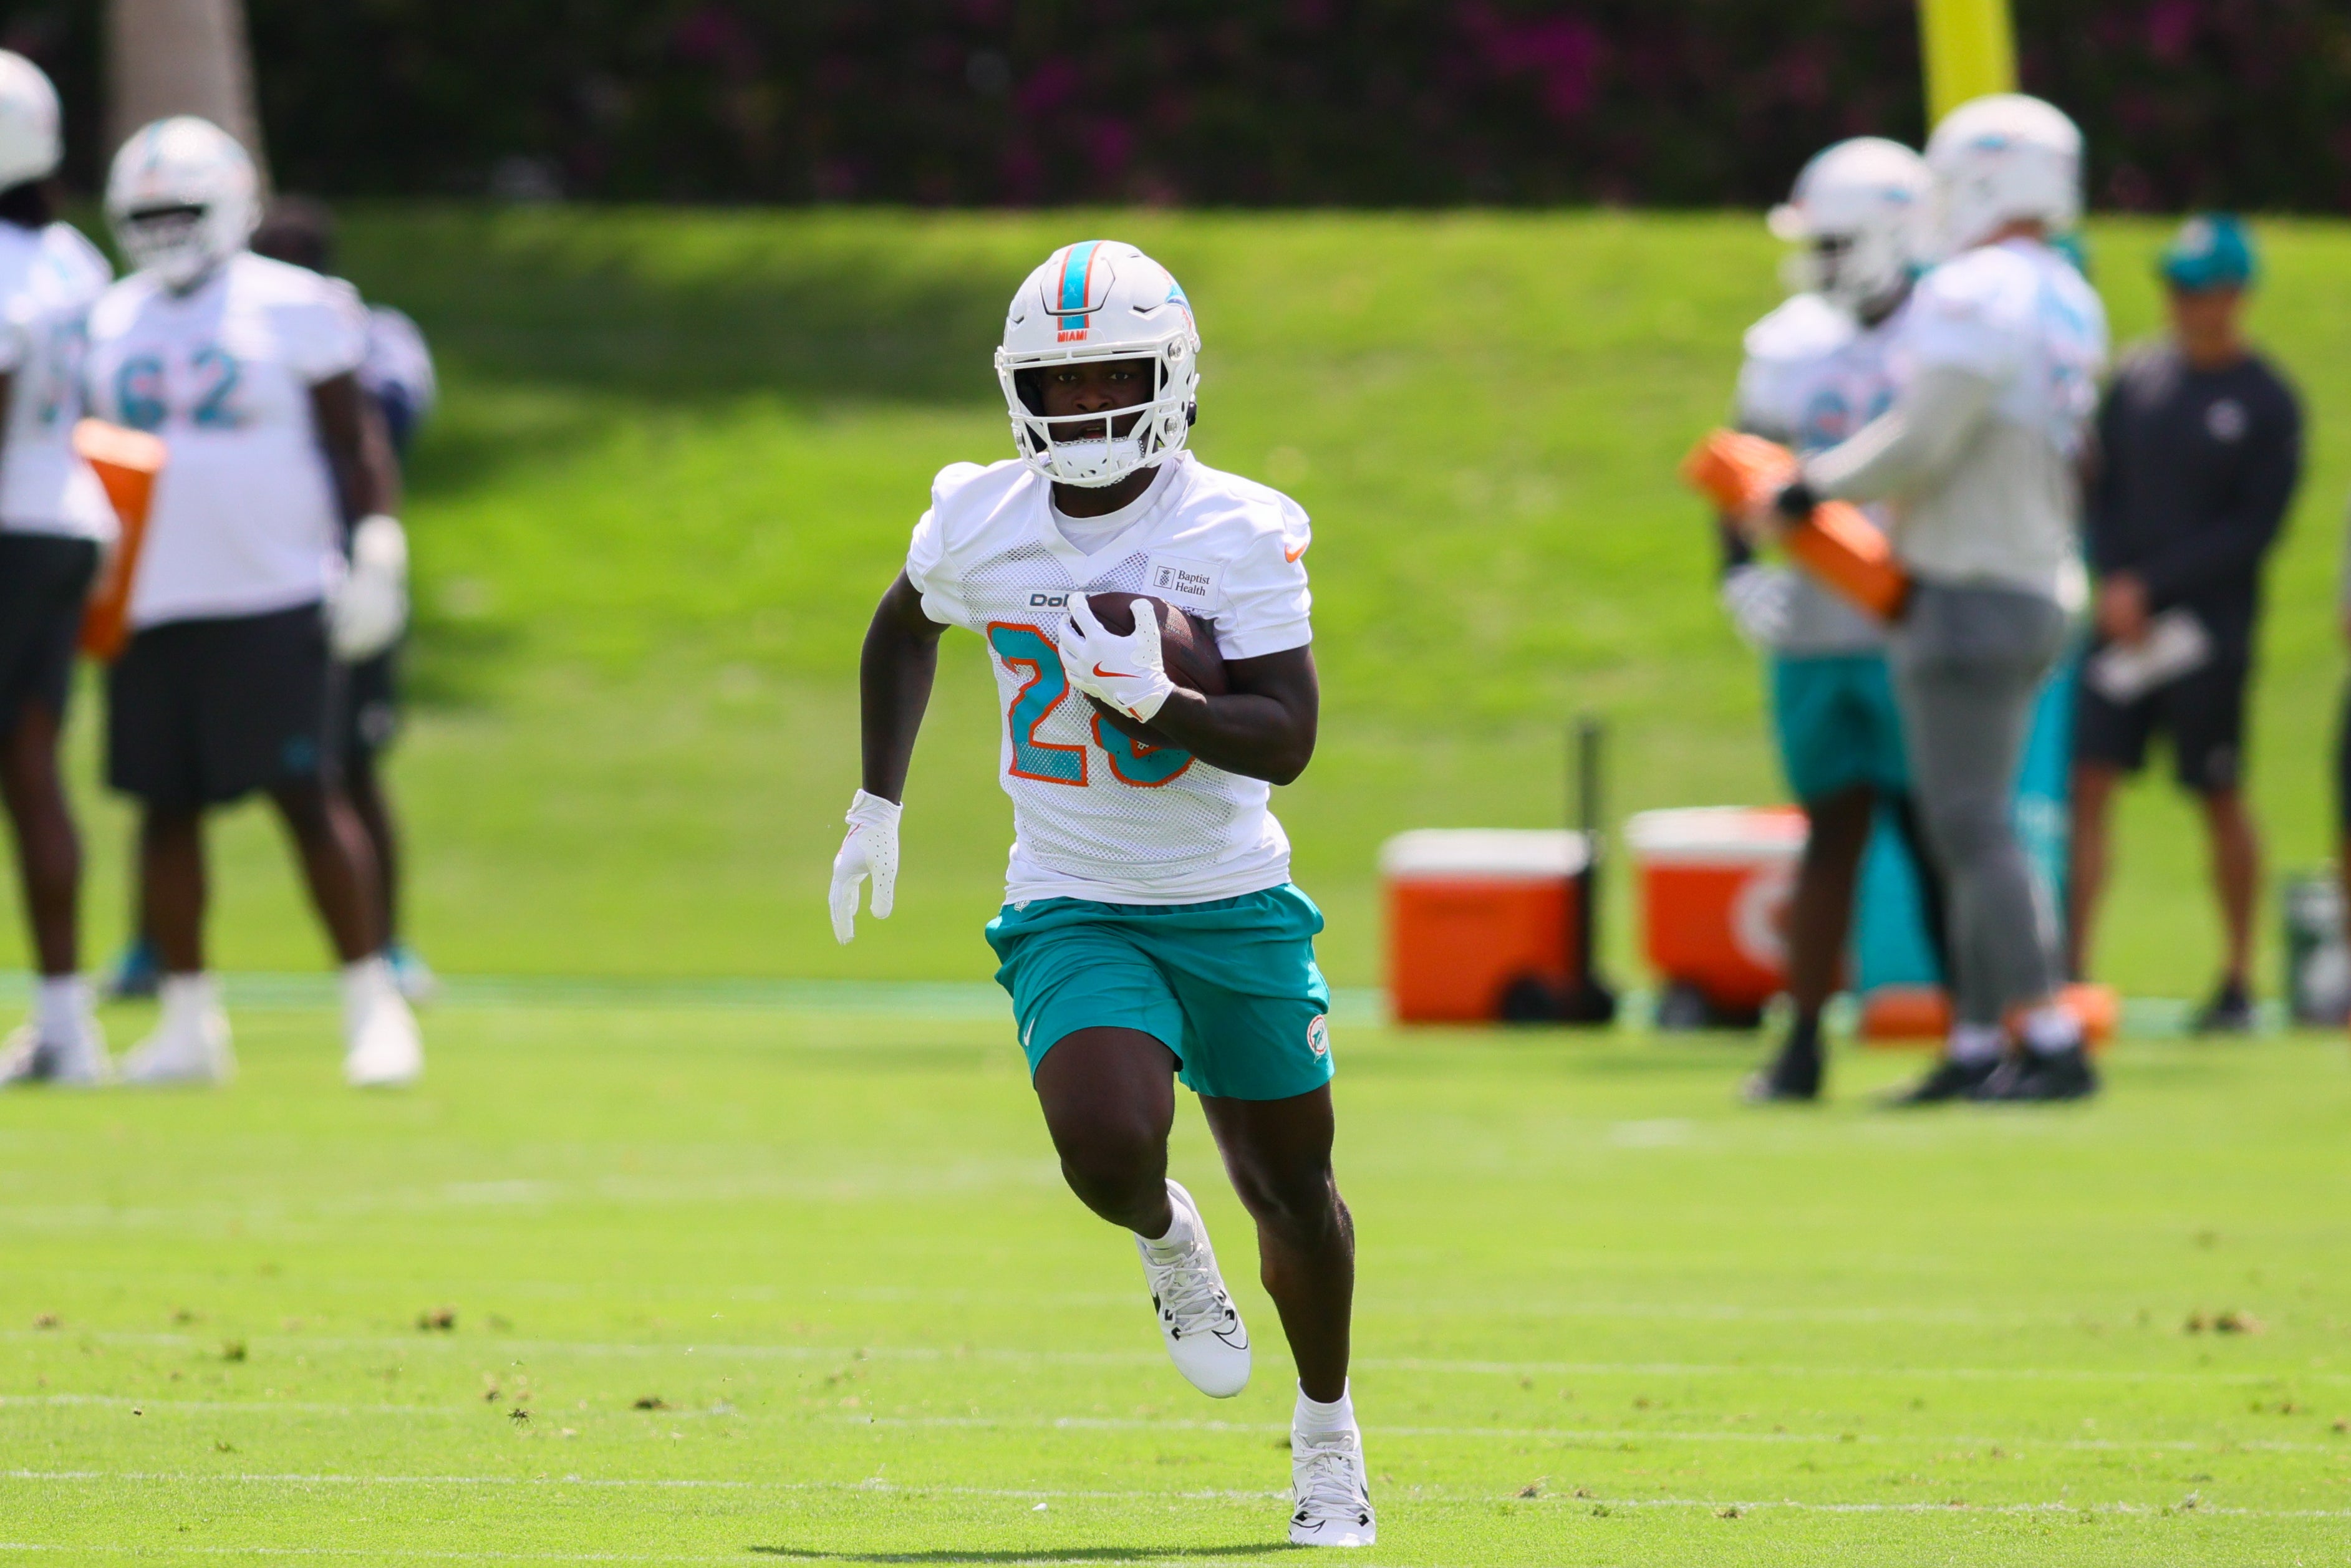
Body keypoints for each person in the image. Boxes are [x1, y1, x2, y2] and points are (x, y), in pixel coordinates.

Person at [829, 241, 1373, 1547]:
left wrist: (1165, 703)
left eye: (1109, 380)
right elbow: (905, 622)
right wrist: (877, 801)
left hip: (1229, 897)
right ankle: (1164, 1238)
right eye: (1056, 387)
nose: (1080, 411)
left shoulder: (1235, 525)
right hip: (1075, 892)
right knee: (1106, 1145)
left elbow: (1288, 737)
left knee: (1293, 1188)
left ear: (1172, 376)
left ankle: (1326, 1433)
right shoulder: (979, 515)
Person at [1763, 94, 2108, 1102]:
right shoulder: (2065, 291)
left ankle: (2044, 1031)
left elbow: (1920, 437)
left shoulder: (1975, 290)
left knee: (1970, 823)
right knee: (1972, 819)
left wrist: (1807, 487)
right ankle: (1971, 1044)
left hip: (1968, 583)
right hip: (2034, 570)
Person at [82, 117, 423, 1087]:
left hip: (271, 591)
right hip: (149, 599)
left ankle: (372, 1003)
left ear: (231, 204)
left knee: (306, 796)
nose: (166, 228)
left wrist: (375, 546)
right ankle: (189, 1022)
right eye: (147, 212)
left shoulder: (296, 305)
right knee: (163, 809)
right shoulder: (109, 320)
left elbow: (354, 442)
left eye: (183, 209)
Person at [1724, 137, 1949, 1103]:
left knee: (1940, 829)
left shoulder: (1947, 328)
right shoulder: (1787, 340)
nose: (1817, 259)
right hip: (1816, 622)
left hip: (1912, 616)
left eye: (1834, 240)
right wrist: (1736, 573)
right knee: (1828, 830)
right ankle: (1805, 1041)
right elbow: (1741, 467)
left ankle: (1977, 1034)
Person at [2069, 215, 2300, 1032]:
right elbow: (2095, 489)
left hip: (2207, 633)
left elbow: (2251, 531)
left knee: (2217, 790)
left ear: (2234, 296)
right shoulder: (2136, 380)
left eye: (2197, 288)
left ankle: (2236, 976)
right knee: (2087, 785)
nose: (2181, 303)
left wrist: (2153, 586)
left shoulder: (2264, 401)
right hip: (2118, 629)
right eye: (2172, 286)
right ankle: (2073, 972)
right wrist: (2109, 585)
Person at [0, 53, 113, 1086]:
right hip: (68, 514)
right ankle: (67, 1021)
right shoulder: (74, 257)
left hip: (5, 520)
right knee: (32, 770)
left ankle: (65, 1028)